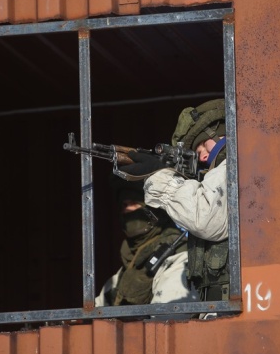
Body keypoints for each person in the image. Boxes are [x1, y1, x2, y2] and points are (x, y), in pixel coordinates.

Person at [119, 98, 230, 302]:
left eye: (202, 147)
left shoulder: (234, 162)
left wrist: (160, 175)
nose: (203, 158)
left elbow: (204, 218)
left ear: (218, 131)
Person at [95, 176, 197, 306]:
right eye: (124, 205)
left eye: (134, 203)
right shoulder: (131, 262)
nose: (127, 210)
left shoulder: (179, 256)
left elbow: (167, 313)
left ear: (152, 210)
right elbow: (99, 308)